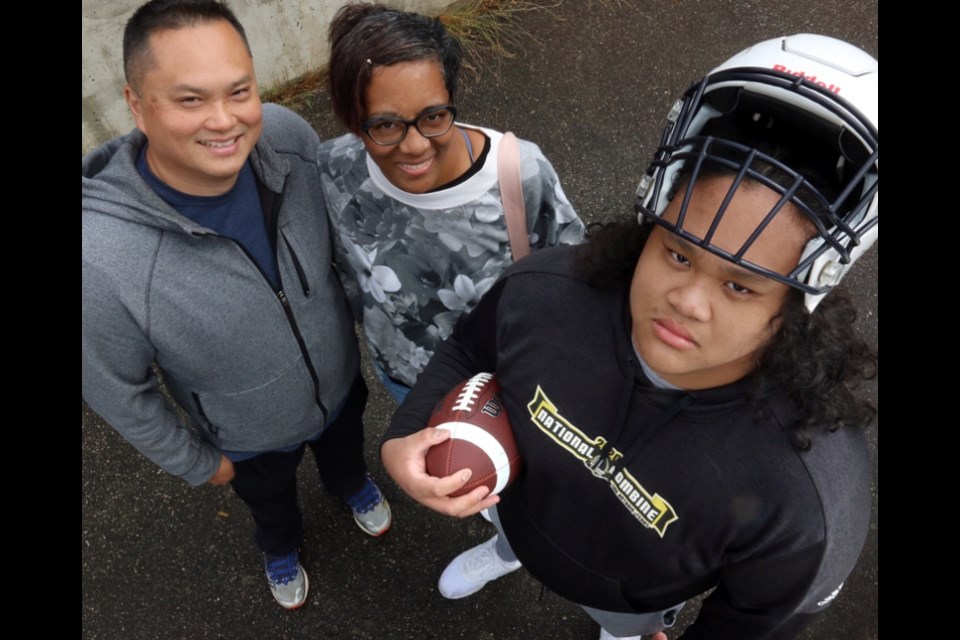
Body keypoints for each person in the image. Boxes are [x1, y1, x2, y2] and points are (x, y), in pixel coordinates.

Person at [382, 34, 878, 639]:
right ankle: (508, 552)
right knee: (511, 528)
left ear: (803, 295)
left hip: (630, 603)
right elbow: (469, 345)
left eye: (741, 286)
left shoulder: (805, 494)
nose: (687, 302)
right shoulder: (545, 295)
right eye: (676, 253)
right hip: (515, 506)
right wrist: (404, 436)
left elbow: (761, 615)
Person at [82, 0, 390, 611]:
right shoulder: (101, 261)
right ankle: (280, 549)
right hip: (246, 440)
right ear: (136, 105)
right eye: (189, 99)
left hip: (339, 384)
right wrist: (201, 464)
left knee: (346, 453)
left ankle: (351, 485)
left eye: (239, 90)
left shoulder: (288, 138)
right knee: (271, 507)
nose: (224, 122)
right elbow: (116, 389)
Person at [318, 3, 585, 403]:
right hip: (404, 377)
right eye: (385, 124)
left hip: (506, 387)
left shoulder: (520, 173)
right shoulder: (336, 168)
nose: (414, 146)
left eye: (433, 116)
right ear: (352, 120)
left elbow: (575, 284)